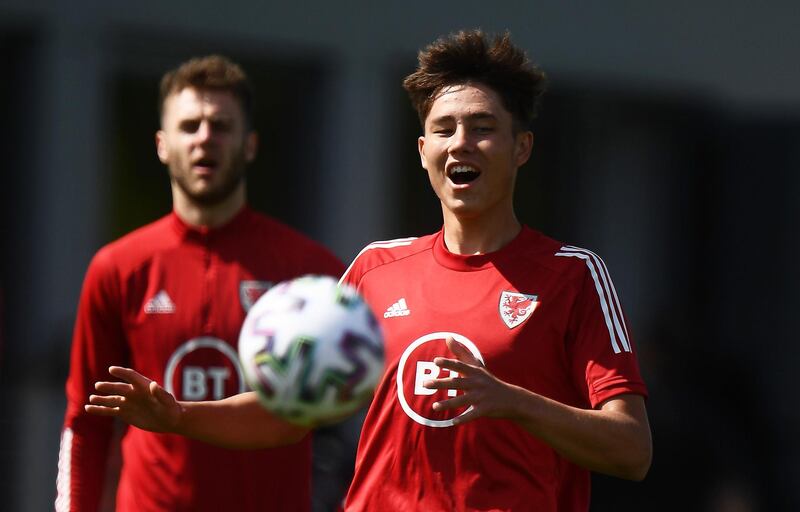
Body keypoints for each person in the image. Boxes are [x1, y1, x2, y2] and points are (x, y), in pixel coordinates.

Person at [86, 31, 652, 511]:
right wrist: (181, 414)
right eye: (445, 128)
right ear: (423, 148)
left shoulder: (570, 275)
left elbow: (632, 451)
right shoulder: (375, 269)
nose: (462, 142)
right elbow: (289, 414)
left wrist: (513, 400)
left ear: (521, 147)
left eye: (482, 127)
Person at [57, 55, 346, 512]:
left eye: (221, 126)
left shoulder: (311, 272)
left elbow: (341, 421)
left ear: (250, 145)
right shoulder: (117, 268)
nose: (205, 139)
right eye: (189, 125)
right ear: (162, 144)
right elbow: (85, 423)